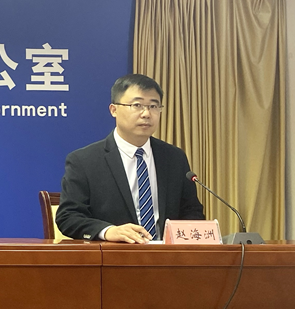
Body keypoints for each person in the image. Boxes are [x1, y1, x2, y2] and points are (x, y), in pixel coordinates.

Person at [55, 73, 204, 243]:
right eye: (137, 105)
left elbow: (192, 211)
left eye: (153, 106)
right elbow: (68, 217)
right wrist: (108, 231)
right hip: (113, 254)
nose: (146, 113)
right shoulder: (84, 161)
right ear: (114, 110)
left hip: (167, 255)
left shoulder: (174, 157)